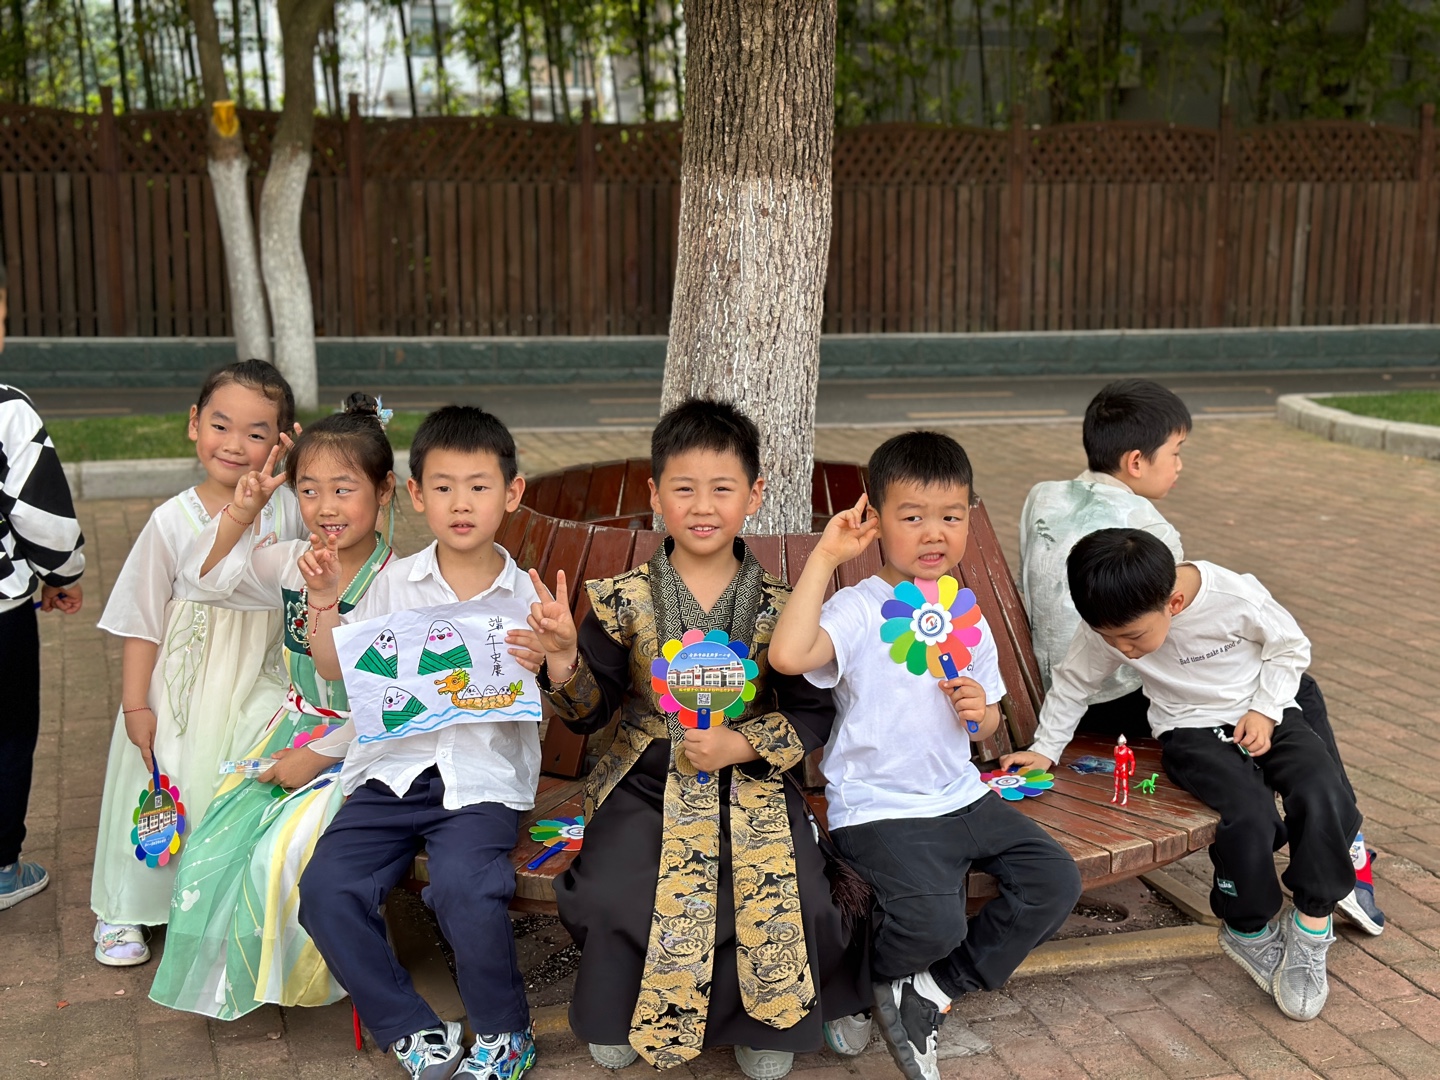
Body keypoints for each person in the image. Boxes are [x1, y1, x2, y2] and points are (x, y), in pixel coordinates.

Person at [525, 398, 871, 1080]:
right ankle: (621, 1010)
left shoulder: (780, 605)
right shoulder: (621, 599)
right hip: (644, 782)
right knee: (616, 889)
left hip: (752, 778)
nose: (703, 506)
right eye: (684, 489)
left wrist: (742, 746)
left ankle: (767, 1024)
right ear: (656, 496)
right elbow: (590, 715)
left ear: (754, 495)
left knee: (789, 892)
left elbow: (811, 711)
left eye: (722, 489)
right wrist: (563, 658)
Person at [1018, 378, 1384, 936]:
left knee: (1271, 688)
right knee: (1297, 690)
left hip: (1056, 680)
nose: (1179, 466)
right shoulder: (1152, 536)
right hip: (1117, 692)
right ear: (1136, 461)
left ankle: (1312, 825)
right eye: (1176, 452)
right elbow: (1171, 635)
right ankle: (1342, 839)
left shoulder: (1042, 497)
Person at [769, 431, 1082, 1080]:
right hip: (879, 808)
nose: (934, 533)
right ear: (877, 521)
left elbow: (986, 722)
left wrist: (981, 711)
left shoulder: (965, 616)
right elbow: (789, 656)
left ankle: (932, 990)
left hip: (962, 795)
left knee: (1054, 881)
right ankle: (861, 985)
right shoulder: (859, 609)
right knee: (933, 924)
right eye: (912, 517)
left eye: (951, 516)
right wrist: (826, 557)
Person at [1003, 528, 1360, 1023]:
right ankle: (1248, 929)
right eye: (1110, 639)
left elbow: (1290, 647)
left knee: (1321, 788)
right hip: (1188, 727)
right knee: (1249, 813)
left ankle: (1312, 923)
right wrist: (1045, 748)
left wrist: (1265, 709)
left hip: (1266, 710)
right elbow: (1074, 682)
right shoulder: (1115, 617)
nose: (1124, 651)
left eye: (1133, 638)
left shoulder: (1234, 596)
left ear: (1173, 603)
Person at [298, 406, 541, 1080]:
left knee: (465, 888)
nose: (461, 503)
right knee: (326, 888)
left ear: (511, 493)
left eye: (479, 486)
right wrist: (325, 599)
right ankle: (412, 1028)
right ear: (415, 495)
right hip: (392, 772)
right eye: (443, 486)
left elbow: (557, 692)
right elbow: (336, 668)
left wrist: (554, 654)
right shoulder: (392, 584)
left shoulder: (526, 596)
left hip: (480, 780)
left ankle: (505, 1034)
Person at [150, 395, 401, 1018]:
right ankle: (236, 976)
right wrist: (243, 510)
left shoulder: (398, 585)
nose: (325, 508)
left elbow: (389, 706)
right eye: (308, 491)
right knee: (216, 837)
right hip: (290, 728)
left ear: (385, 491)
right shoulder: (292, 562)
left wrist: (317, 757)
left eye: (343, 490)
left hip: (361, 749)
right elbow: (202, 581)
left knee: (282, 850)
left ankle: (295, 977)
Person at [91, 360, 303, 966]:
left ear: (281, 442)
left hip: (261, 676)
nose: (234, 444)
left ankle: (216, 903)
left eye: (256, 433)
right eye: (220, 425)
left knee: (234, 785)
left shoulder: (288, 509)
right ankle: (126, 908)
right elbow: (142, 619)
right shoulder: (171, 520)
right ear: (194, 423)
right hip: (182, 687)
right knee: (166, 784)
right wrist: (136, 704)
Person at [0, 362, 86, 909]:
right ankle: (1, 869)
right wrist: (62, 574)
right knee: (7, 733)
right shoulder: (6, 408)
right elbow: (39, 511)